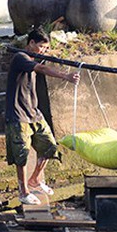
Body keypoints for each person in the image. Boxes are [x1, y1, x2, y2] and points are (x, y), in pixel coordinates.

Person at [5, 29, 79, 206]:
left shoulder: (33, 58)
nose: (44, 51)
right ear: (31, 43)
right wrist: (65, 76)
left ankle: (35, 179)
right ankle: (24, 192)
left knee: (49, 146)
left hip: (34, 113)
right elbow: (42, 68)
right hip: (18, 115)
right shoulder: (21, 58)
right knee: (21, 155)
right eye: (41, 47)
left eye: (47, 48)